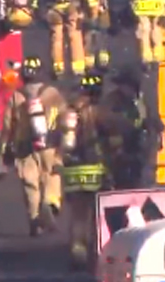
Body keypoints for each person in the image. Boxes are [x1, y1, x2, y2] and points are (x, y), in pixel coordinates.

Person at [0, 57, 67, 236]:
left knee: (30, 184)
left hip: (24, 149)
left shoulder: (17, 96)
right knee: (51, 176)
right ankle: (50, 203)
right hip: (50, 145)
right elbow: (65, 116)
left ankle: (35, 219)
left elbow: (8, 125)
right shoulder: (52, 93)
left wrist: (4, 148)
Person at [61, 73, 107, 267]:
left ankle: (77, 251)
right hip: (95, 169)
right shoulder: (100, 112)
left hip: (73, 170)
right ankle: (96, 250)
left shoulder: (68, 112)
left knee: (77, 214)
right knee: (96, 212)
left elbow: (58, 138)